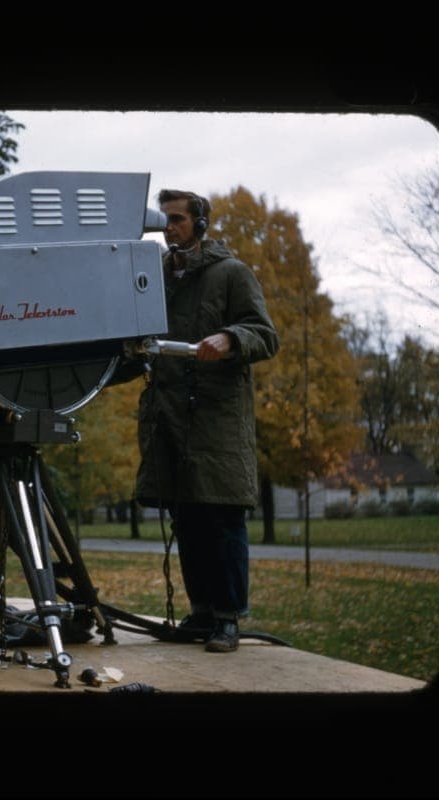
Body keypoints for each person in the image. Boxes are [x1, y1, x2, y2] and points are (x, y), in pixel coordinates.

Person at [134, 188, 279, 652]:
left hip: (216, 418)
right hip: (168, 415)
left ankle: (227, 618)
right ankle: (200, 614)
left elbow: (265, 335)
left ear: (199, 223)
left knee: (221, 516)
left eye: (177, 219)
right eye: (165, 220)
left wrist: (230, 338)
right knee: (187, 517)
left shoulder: (231, 273)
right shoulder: (152, 275)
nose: (169, 228)